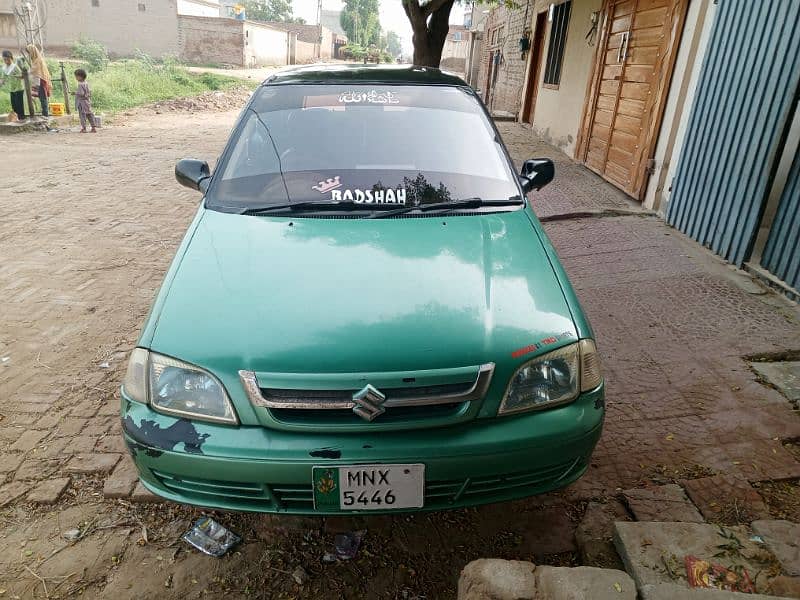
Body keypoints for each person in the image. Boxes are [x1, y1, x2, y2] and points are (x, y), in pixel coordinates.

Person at [25, 44, 50, 117]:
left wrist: (25, 74)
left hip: (41, 81)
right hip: (39, 81)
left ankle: (45, 116)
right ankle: (44, 115)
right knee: (42, 98)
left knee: (43, 99)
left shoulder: (38, 60)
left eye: (29, 52)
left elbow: (33, 70)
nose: (29, 55)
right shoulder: (36, 60)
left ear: (32, 52)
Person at [0, 50, 25, 121]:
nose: (6, 61)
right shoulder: (4, 68)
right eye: (5, 59)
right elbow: (3, 78)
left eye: (8, 59)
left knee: (19, 106)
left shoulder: (15, 67)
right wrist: (1, 84)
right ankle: (16, 119)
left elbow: (22, 76)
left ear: (11, 58)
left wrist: (17, 76)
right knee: (14, 106)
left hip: (19, 88)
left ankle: (21, 119)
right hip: (11, 89)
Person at [73, 68, 96, 133]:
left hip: (82, 103)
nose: (76, 78)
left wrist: (75, 93)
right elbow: (89, 92)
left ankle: (84, 128)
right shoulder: (86, 83)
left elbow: (81, 93)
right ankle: (93, 127)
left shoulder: (80, 84)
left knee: (82, 116)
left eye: (76, 76)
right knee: (89, 114)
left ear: (80, 77)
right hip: (87, 102)